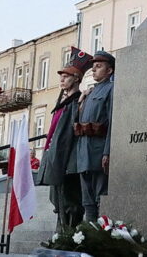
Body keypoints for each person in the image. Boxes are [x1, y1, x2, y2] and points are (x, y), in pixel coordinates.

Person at [39, 46, 93, 230]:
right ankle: (60, 236)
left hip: (70, 159)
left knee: (70, 202)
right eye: (61, 76)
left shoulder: (80, 100)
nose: (62, 79)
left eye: (66, 76)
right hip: (55, 157)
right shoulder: (62, 103)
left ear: (77, 79)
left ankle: (69, 238)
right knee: (58, 200)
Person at [74, 50, 115, 223]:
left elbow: (112, 121)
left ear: (110, 70)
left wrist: (107, 152)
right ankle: (89, 235)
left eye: (99, 66)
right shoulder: (90, 92)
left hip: (98, 150)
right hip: (84, 151)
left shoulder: (112, 89)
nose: (94, 70)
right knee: (87, 201)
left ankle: (101, 236)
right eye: (93, 67)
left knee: (100, 198)